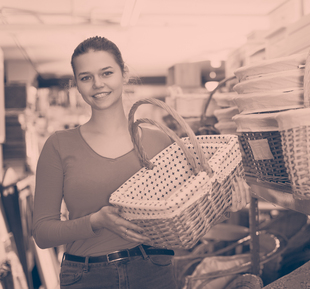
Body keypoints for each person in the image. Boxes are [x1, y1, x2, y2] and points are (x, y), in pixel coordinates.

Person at [32, 36, 250, 289]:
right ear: (77, 85)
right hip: (87, 276)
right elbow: (43, 232)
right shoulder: (59, 145)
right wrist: (95, 221)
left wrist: (227, 205)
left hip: (152, 272)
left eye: (106, 73)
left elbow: (191, 212)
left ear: (123, 74)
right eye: (86, 77)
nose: (98, 84)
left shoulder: (161, 143)